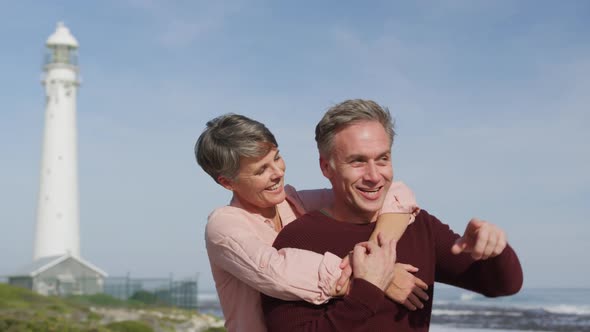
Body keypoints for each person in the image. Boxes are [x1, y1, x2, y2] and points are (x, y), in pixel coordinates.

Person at [262, 99, 523, 332]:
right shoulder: (298, 238)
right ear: (326, 167)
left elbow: (503, 285)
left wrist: (494, 249)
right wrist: (367, 290)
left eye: (383, 159)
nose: (375, 176)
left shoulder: (419, 225)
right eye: (358, 161)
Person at [195, 114, 428, 332]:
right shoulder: (223, 226)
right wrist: (376, 277)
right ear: (227, 182)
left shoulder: (295, 202)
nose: (277, 172)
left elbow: (388, 192)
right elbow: (278, 272)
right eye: (261, 170)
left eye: (276, 157)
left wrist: (378, 256)